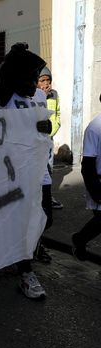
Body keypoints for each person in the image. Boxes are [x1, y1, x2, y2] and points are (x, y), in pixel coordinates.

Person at [0, 42, 53, 300]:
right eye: (31, 79)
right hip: (11, 175)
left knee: (45, 219)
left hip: (39, 170)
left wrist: (45, 130)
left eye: (37, 79)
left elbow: (44, 130)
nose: (36, 85)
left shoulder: (41, 97)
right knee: (22, 223)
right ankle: (25, 272)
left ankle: (17, 253)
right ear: (14, 77)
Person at [72, 94, 101, 261]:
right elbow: (87, 165)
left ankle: (80, 239)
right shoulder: (95, 128)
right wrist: (96, 191)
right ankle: (80, 239)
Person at [37, 67, 63, 210]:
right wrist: (42, 96)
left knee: (49, 168)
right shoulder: (33, 97)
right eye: (42, 81)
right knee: (38, 169)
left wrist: (54, 128)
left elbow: (57, 113)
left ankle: (48, 196)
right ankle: (38, 198)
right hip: (37, 141)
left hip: (49, 139)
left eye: (48, 80)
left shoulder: (54, 94)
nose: (46, 84)